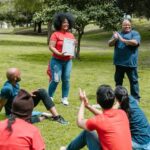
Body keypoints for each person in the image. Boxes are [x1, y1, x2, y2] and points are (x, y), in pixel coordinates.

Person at [60, 85, 132, 150]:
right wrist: (87, 106)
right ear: (114, 100)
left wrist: (82, 102)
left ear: (97, 101)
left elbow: (79, 122)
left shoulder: (99, 120)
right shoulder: (122, 113)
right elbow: (106, 116)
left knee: (87, 132)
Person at [0, 68, 68, 124]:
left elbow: (16, 96)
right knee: (34, 119)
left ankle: (56, 116)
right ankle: (39, 116)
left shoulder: (15, 83)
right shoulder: (7, 89)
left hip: (22, 104)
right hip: (16, 112)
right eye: (19, 74)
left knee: (41, 91)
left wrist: (28, 94)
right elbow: (1, 104)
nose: (20, 75)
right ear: (15, 78)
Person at [108, 19, 141, 101]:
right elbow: (109, 44)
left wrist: (122, 40)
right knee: (118, 82)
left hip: (131, 64)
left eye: (128, 25)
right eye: (125, 25)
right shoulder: (117, 34)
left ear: (131, 25)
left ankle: (135, 99)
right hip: (119, 63)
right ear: (121, 26)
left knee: (133, 82)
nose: (127, 26)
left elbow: (135, 42)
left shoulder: (135, 33)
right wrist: (115, 39)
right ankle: (119, 98)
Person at [48, 12, 76, 105]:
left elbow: (72, 49)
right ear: (59, 23)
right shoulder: (55, 34)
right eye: (64, 22)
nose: (66, 24)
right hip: (56, 61)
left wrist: (74, 47)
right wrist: (59, 53)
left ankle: (64, 98)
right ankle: (50, 97)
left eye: (67, 22)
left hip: (68, 61)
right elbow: (51, 47)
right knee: (55, 79)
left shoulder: (71, 35)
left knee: (66, 79)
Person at [115, 86, 150, 150]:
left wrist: (90, 106)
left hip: (139, 144)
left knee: (113, 136)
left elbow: (108, 115)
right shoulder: (132, 99)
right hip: (148, 138)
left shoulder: (122, 111)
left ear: (117, 100)